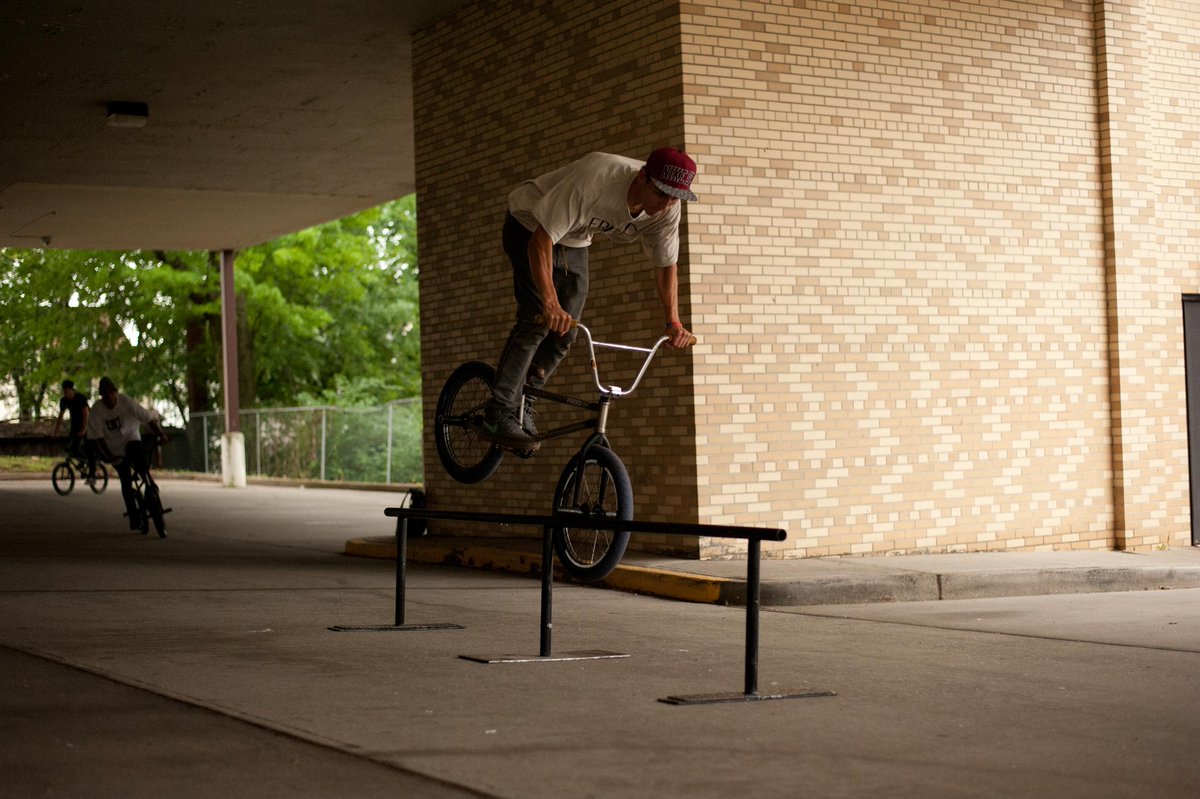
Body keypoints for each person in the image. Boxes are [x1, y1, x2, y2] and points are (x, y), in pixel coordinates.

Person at [482, 147, 699, 449]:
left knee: (566, 331)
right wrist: (549, 302)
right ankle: (499, 411)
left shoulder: (668, 209)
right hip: (528, 224)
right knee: (538, 320)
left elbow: (665, 266)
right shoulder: (596, 180)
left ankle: (525, 400)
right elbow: (540, 241)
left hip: (574, 239)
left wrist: (673, 321)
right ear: (642, 178)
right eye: (662, 195)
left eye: (675, 197)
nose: (667, 205)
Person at [87, 376, 169, 530]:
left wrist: (161, 435)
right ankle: (133, 514)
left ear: (115, 392)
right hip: (113, 448)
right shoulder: (97, 409)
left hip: (131, 438)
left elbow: (147, 418)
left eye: (110, 394)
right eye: (104, 396)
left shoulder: (125, 401)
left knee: (140, 461)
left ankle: (149, 485)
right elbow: (97, 437)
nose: (108, 399)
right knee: (125, 481)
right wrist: (108, 455)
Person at [53, 379, 96, 482]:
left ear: (72, 390)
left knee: (89, 449)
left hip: (88, 425)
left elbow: (86, 414)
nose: (66, 393)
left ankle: (91, 476)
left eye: (67, 391)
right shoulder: (64, 401)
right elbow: (60, 417)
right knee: (71, 447)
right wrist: (56, 431)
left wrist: (84, 429)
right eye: (64, 391)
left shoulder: (80, 398)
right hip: (75, 426)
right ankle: (82, 461)